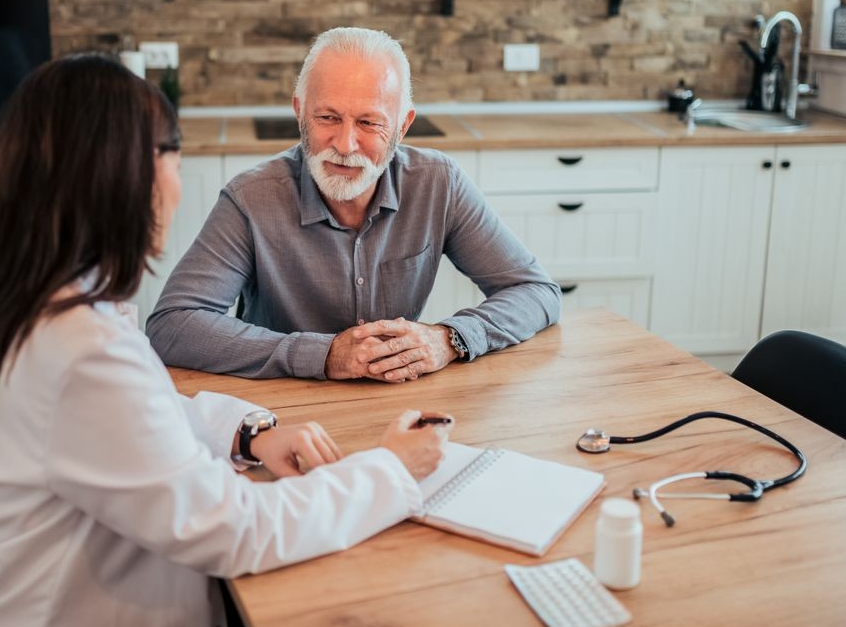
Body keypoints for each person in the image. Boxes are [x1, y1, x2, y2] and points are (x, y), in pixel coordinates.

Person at [0, 54, 450, 627]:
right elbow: (237, 530)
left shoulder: (37, 302)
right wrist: (390, 469)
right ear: (128, 174)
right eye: (174, 154)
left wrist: (248, 431)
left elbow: (138, 412)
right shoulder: (80, 351)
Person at [148, 27, 560, 382]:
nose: (345, 145)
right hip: (283, 412)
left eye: (369, 123)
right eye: (327, 118)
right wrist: (324, 355)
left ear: (403, 125)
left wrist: (449, 338)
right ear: (299, 111)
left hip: (397, 407)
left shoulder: (439, 183)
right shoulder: (251, 198)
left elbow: (535, 291)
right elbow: (173, 325)